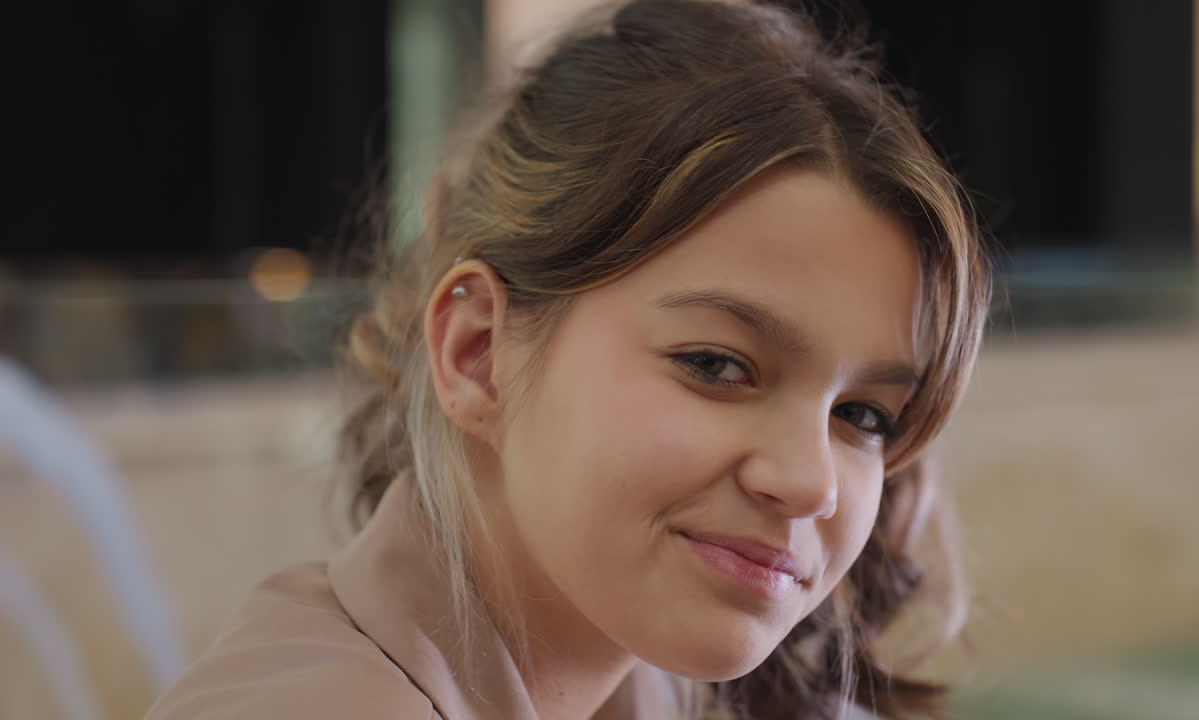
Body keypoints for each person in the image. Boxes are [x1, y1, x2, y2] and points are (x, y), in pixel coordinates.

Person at [146, 0, 990, 718]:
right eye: (717, 364)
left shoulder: (630, 676)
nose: (812, 483)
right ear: (478, 354)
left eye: (863, 415)